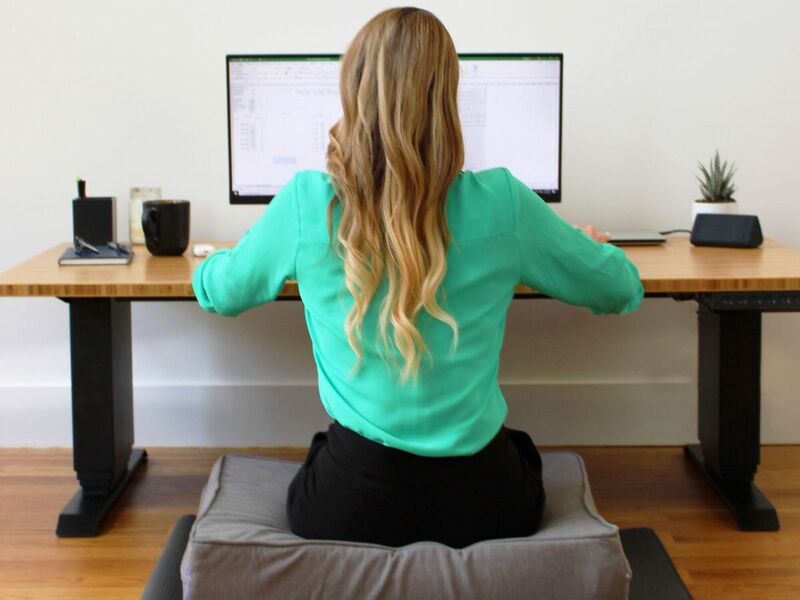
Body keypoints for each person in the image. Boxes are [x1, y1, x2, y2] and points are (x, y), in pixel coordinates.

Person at [192, 7, 643, 548]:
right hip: (486, 505)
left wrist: (212, 261)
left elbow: (222, 293)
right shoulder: (504, 202)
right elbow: (620, 288)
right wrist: (590, 249)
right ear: (447, 99)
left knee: (322, 450)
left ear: (353, 91)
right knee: (520, 449)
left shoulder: (307, 204)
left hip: (349, 506)